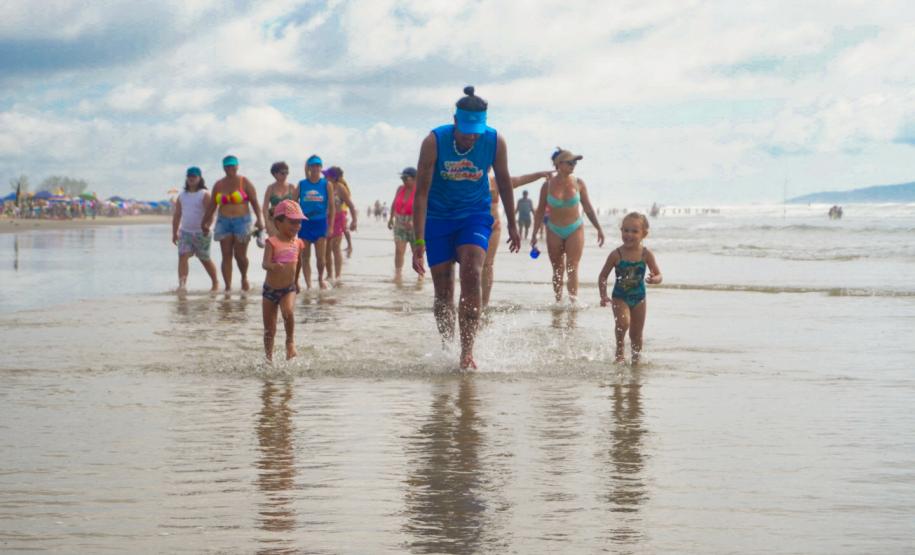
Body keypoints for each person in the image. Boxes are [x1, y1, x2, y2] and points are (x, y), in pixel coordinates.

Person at [412, 86, 521, 369]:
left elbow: (506, 182)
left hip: (474, 214)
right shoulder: (434, 141)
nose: (472, 135)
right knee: (444, 291)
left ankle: (467, 352)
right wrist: (418, 241)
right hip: (438, 218)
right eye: (466, 129)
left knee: (473, 272)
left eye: (477, 129)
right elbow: (421, 193)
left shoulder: (495, 141)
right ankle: (448, 346)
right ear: (455, 120)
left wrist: (512, 224)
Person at [531, 148, 605, 302]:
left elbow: (588, 208)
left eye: (575, 162)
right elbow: (539, 212)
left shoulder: (579, 183)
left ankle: (573, 303)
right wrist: (534, 235)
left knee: (572, 267)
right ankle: (558, 301)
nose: (574, 165)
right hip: (553, 229)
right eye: (570, 162)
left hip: (575, 228)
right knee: (557, 269)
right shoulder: (547, 186)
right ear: (558, 164)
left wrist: (599, 228)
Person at [482, 169, 553, 308]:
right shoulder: (464, 179)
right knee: (472, 266)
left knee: (488, 265)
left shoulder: (495, 181)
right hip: (471, 226)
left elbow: (519, 180)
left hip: (493, 226)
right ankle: (471, 298)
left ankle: (484, 303)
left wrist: (539, 174)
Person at [598, 212, 662, 365]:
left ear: (644, 234)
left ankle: (636, 360)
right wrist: (603, 295)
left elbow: (659, 274)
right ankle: (619, 352)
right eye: (625, 230)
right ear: (621, 231)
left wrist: (655, 279)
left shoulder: (646, 254)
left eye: (634, 231)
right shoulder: (616, 254)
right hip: (620, 297)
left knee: (636, 334)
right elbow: (603, 276)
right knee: (623, 323)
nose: (629, 234)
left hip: (640, 298)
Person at [202, 155, 265, 291]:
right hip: (223, 221)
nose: (230, 168)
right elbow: (212, 205)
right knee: (226, 255)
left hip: (242, 221)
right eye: (227, 165)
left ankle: (244, 277)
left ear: (237, 166)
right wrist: (204, 222)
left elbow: (255, 203)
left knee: (240, 256)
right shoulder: (218, 184)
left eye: (232, 165)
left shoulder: (244, 182)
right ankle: (228, 288)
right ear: (223, 167)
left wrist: (260, 219)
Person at [262, 200, 306, 362]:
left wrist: (297, 281)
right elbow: (264, 263)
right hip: (269, 291)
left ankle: (290, 341)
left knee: (288, 311)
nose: (296, 226)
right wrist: (272, 266)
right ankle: (268, 359)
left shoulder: (298, 243)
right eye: (292, 222)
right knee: (269, 329)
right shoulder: (272, 242)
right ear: (278, 222)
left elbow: (299, 263)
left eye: (299, 222)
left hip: (288, 288)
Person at [171, 167, 218, 292]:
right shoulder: (182, 196)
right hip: (185, 232)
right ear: (187, 178)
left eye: (194, 176)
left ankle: (215, 283)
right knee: (182, 257)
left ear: (199, 178)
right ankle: (182, 286)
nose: (191, 178)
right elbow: (177, 215)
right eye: (189, 176)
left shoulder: (204, 194)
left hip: (202, 232)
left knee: (204, 259)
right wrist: (174, 232)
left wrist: (208, 226)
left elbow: (211, 213)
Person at [296, 154, 335, 290]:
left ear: (321, 167)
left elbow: (332, 206)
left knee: (321, 258)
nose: (316, 168)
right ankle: (308, 284)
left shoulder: (326, 184)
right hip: (305, 223)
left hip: (320, 222)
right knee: (305, 257)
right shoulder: (302, 184)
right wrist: (294, 223)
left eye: (318, 165)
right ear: (309, 167)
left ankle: (320, 278)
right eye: (313, 165)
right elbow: (294, 204)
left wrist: (330, 226)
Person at [323, 166, 358, 283]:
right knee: (326, 249)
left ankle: (337, 276)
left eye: (326, 175)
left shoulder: (340, 188)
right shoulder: (324, 186)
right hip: (325, 219)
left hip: (338, 218)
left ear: (333, 178)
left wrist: (354, 221)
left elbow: (351, 206)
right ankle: (329, 275)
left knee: (335, 247)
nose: (324, 177)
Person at [387, 167, 418, 278]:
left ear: (414, 179)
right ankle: (398, 273)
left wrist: (413, 221)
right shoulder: (400, 189)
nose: (403, 180)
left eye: (406, 178)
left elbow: (422, 207)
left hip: (414, 224)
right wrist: (391, 218)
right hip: (399, 222)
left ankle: (420, 275)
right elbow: (394, 203)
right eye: (402, 178)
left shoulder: (419, 190)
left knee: (416, 252)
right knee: (399, 250)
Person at [262, 161, 298, 237]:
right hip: (274, 222)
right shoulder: (270, 188)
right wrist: (267, 224)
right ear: (275, 174)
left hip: (289, 222)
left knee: (288, 246)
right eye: (282, 173)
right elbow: (265, 208)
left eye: (287, 173)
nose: (285, 175)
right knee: (275, 245)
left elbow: (297, 206)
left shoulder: (291, 187)